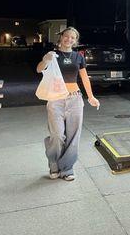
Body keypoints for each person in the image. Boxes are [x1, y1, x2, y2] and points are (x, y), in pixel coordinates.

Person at [36, 27, 100, 181]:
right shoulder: (53, 55)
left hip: (75, 99)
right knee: (57, 135)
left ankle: (67, 168)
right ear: (61, 37)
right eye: (67, 36)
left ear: (75, 40)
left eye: (73, 37)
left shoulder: (78, 56)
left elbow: (84, 78)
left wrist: (90, 96)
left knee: (73, 136)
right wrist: (45, 60)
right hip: (55, 100)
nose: (69, 39)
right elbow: (39, 69)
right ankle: (54, 164)